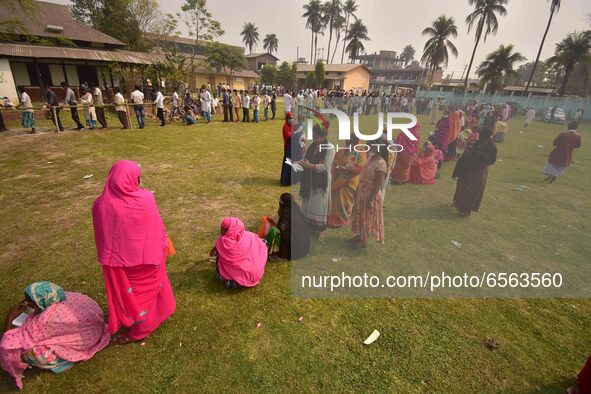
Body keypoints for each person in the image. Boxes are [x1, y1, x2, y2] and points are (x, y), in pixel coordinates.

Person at [92, 160, 176, 344]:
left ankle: (136, 323)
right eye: (137, 177)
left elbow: (103, 239)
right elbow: (157, 228)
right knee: (150, 294)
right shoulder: (145, 199)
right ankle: (141, 328)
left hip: (121, 264)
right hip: (149, 259)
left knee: (132, 295)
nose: (138, 181)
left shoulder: (100, 205)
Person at [0, 281, 111, 389]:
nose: (27, 305)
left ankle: (62, 361)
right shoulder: (67, 296)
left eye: (30, 302)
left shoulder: (46, 319)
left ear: (40, 301)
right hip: (96, 331)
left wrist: (10, 319)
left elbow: (19, 342)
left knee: (31, 353)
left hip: (84, 342)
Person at [299, 124, 335, 241]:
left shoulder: (330, 148)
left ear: (324, 136)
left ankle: (321, 230)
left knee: (319, 205)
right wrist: (302, 162)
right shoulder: (313, 146)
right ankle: (310, 225)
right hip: (310, 178)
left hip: (321, 181)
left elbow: (325, 166)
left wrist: (310, 165)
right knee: (310, 203)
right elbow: (308, 158)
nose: (315, 140)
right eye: (313, 137)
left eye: (317, 137)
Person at [349, 143, 388, 249]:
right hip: (362, 190)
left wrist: (370, 199)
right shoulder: (370, 157)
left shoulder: (381, 163)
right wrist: (357, 190)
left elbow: (378, 185)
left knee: (367, 217)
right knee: (360, 214)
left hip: (371, 194)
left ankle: (363, 241)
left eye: (371, 145)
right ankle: (359, 235)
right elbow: (362, 175)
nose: (369, 146)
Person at [452, 126, 497, 216]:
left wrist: (481, 165)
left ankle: (466, 210)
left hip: (478, 171)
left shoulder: (491, 147)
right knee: (462, 186)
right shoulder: (476, 143)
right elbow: (467, 154)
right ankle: (458, 203)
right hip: (468, 168)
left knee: (472, 190)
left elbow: (492, 160)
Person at [210, 217, 267, 288]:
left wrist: (214, 250)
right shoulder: (250, 236)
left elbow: (214, 250)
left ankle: (229, 275)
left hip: (236, 282)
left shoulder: (223, 242)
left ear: (229, 230)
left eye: (222, 229)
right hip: (255, 276)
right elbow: (263, 243)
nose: (220, 230)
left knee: (219, 254)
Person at [328, 135, 367, 227]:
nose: (349, 146)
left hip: (350, 181)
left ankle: (342, 220)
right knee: (335, 199)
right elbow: (334, 161)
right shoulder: (342, 151)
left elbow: (361, 169)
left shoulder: (361, 154)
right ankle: (332, 218)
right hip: (337, 179)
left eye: (351, 144)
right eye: (348, 143)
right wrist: (336, 166)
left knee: (345, 200)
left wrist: (348, 169)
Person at [267, 193, 310, 261]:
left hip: (294, 249)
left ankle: (266, 249)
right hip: (303, 247)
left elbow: (284, 234)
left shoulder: (285, 215)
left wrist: (283, 254)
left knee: (273, 231)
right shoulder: (296, 209)